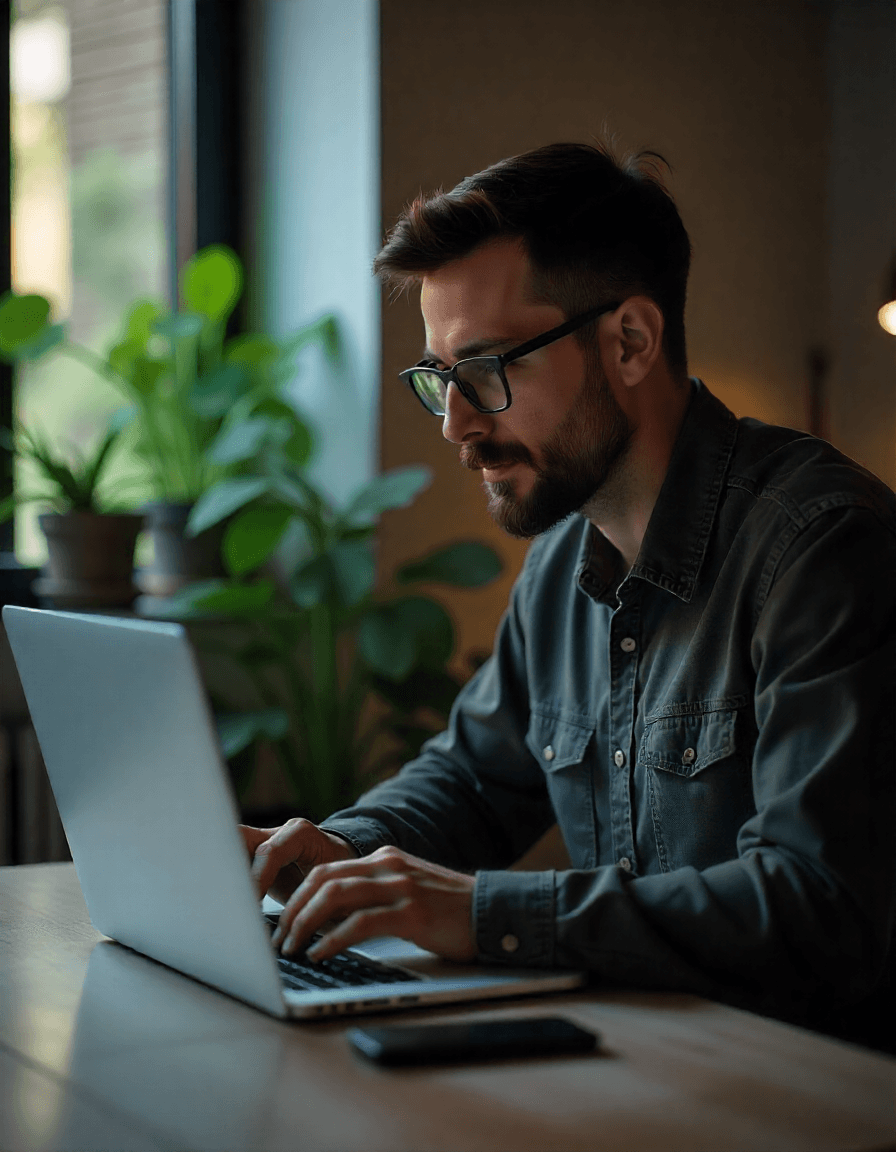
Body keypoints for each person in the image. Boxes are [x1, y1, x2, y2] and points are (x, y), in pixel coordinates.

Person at [242, 141, 895, 1046]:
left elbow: (817, 905)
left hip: (805, 1083)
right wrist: (339, 850)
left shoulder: (823, 548)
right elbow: (475, 779)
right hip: (640, 1052)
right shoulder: (560, 563)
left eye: (487, 370)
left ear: (630, 341)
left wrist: (481, 913)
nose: (455, 424)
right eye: (440, 378)